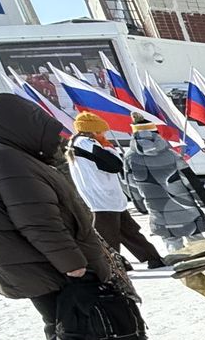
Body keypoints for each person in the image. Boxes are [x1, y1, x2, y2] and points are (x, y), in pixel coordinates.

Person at [0, 94, 174, 340]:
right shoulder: (6, 160)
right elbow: (38, 221)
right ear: (20, 124)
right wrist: (71, 263)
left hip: (46, 258)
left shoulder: (10, 155)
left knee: (103, 312)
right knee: (69, 326)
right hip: (46, 263)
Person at [67, 111, 166, 269]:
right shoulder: (85, 142)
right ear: (92, 131)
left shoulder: (81, 142)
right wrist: (109, 149)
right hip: (102, 196)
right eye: (101, 131)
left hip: (108, 196)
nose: (104, 134)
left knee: (127, 230)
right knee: (107, 235)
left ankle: (151, 257)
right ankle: (112, 264)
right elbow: (114, 164)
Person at [124, 117, 205, 250]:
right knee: (196, 239)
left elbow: (131, 185)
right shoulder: (171, 154)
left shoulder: (129, 157)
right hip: (183, 204)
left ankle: (179, 260)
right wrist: (203, 200)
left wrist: (140, 205)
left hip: (157, 207)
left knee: (171, 240)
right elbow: (189, 179)